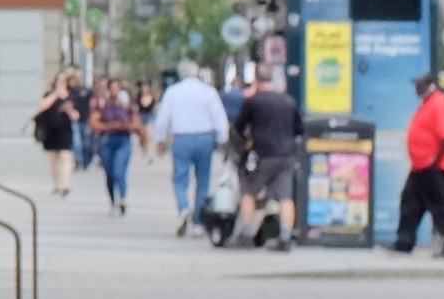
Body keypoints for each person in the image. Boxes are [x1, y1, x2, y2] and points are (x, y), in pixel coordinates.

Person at [151, 59, 230, 237]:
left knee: (180, 177)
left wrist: (160, 140)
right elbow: (219, 117)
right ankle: (198, 221)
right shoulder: (208, 92)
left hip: (182, 138)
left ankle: (183, 207)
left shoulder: (172, 92)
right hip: (204, 137)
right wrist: (222, 139)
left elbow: (163, 119)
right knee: (203, 180)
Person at [230, 67, 305, 249]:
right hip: (286, 156)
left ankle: (246, 234)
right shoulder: (288, 101)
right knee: (285, 197)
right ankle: (285, 237)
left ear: (256, 78)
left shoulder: (253, 102)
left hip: (262, 155)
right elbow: (299, 130)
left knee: (249, 192)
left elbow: (239, 127)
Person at [393, 73, 444, 258]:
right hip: (420, 167)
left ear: (431, 85)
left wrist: (435, 162)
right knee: (410, 204)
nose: (417, 89)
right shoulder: (428, 104)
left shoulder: (438, 104)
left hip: (433, 168)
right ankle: (404, 242)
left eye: (420, 85)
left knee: (440, 208)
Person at [89, 75, 143, 213]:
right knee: (110, 173)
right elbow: (94, 123)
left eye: (116, 88)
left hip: (123, 139)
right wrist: (111, 126)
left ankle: (123, 198)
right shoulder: (102, 105)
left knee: (120, 171)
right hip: (107, 140)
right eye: (111, 88)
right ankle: (113, 200)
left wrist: (126, 125)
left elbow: (136, 122)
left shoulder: (127, 105)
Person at [30, 70, 79, 194]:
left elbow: (76, 116)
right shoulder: (49, 94)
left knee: (65, 156)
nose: (61, 83)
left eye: (63, 81)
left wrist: (69, 110)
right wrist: (56, 95)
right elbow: (42, 106)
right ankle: (57, 184)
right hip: (50, 130)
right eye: (59, 81)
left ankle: (66, 184)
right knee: (53, 158)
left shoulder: (71, 96)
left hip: (65, 130)